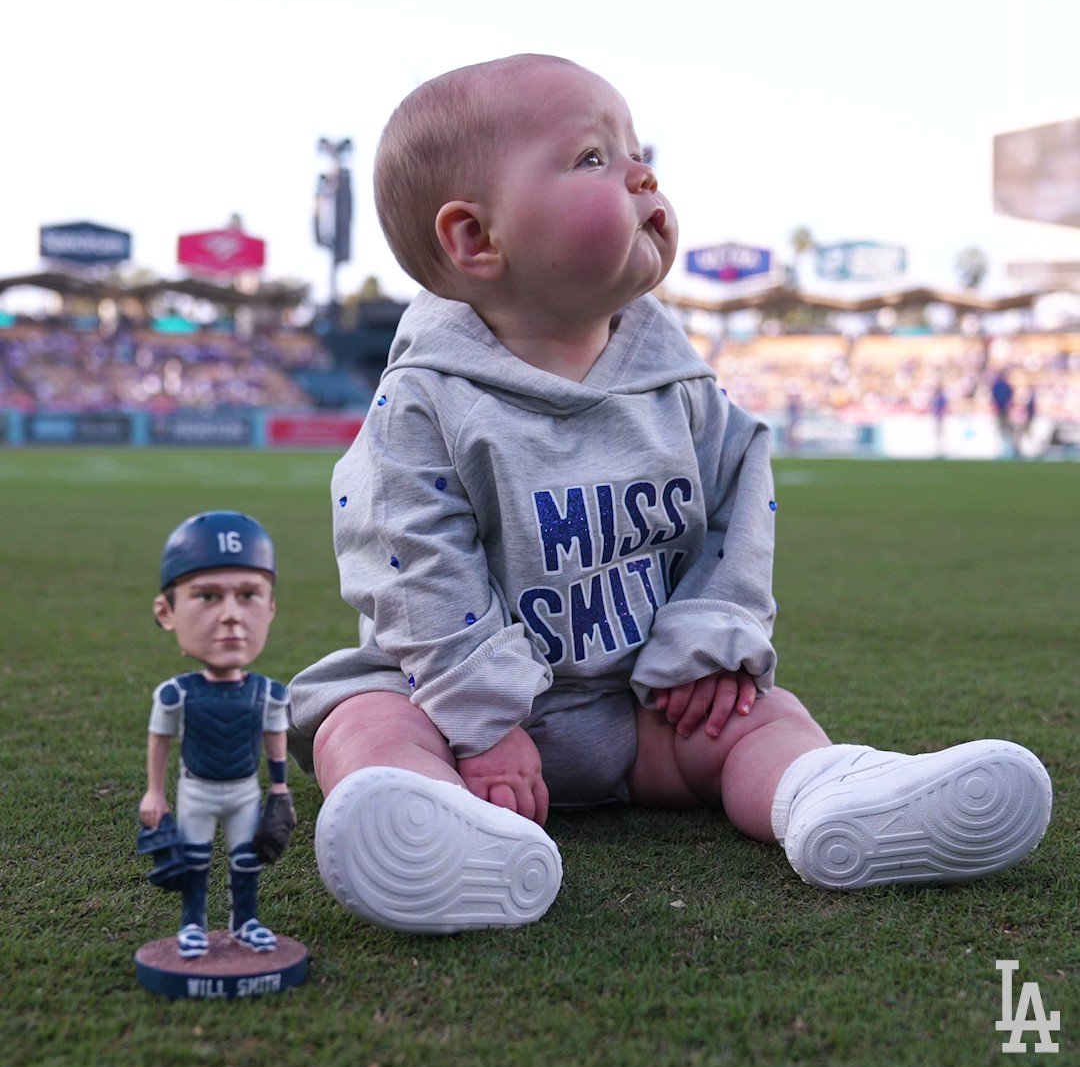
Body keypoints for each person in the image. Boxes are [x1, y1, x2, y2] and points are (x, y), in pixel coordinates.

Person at [288, 54, 1053, 934]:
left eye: (638, 151)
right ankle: (435, 828)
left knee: (759, 716)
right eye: (591, 159)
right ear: (476, 240)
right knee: (363, 723)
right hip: (447, 709)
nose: (643, 174)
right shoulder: (424, 398)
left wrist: (710, 639)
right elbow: (404, 558)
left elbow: (738, 510)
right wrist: (481, 718)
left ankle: (824, 794)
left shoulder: (681, 385)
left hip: (639, 707)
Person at [139, 511, 296, 957]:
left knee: (247, 859)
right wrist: (154, 793)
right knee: (194, 860)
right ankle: (192, 925)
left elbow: (275, 738)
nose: (230, 616)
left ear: (270, 608)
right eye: (207, 596)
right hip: (197, 790)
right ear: (165, 612)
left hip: (246, 789)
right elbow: (160, 742)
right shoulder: (175, 694)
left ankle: (245, 922)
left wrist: (281, 788)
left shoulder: (267, 692)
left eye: (248, 595)